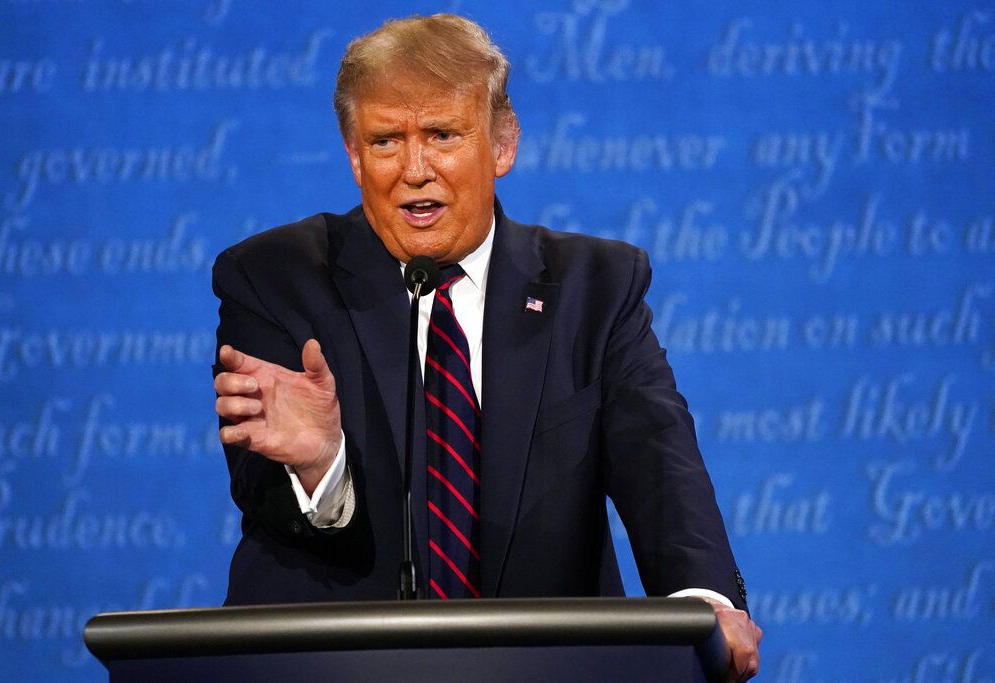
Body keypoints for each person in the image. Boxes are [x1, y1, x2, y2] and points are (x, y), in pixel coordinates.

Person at [212, 13, 761, 680]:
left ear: (502, 146)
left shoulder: (592, 288)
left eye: (441, 135)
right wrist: (322, 466)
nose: (414, 170)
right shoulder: (277, 277)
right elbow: (262, 491)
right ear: (354, 157)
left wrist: (701, 605)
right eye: (386, 141)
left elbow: (659, 460)